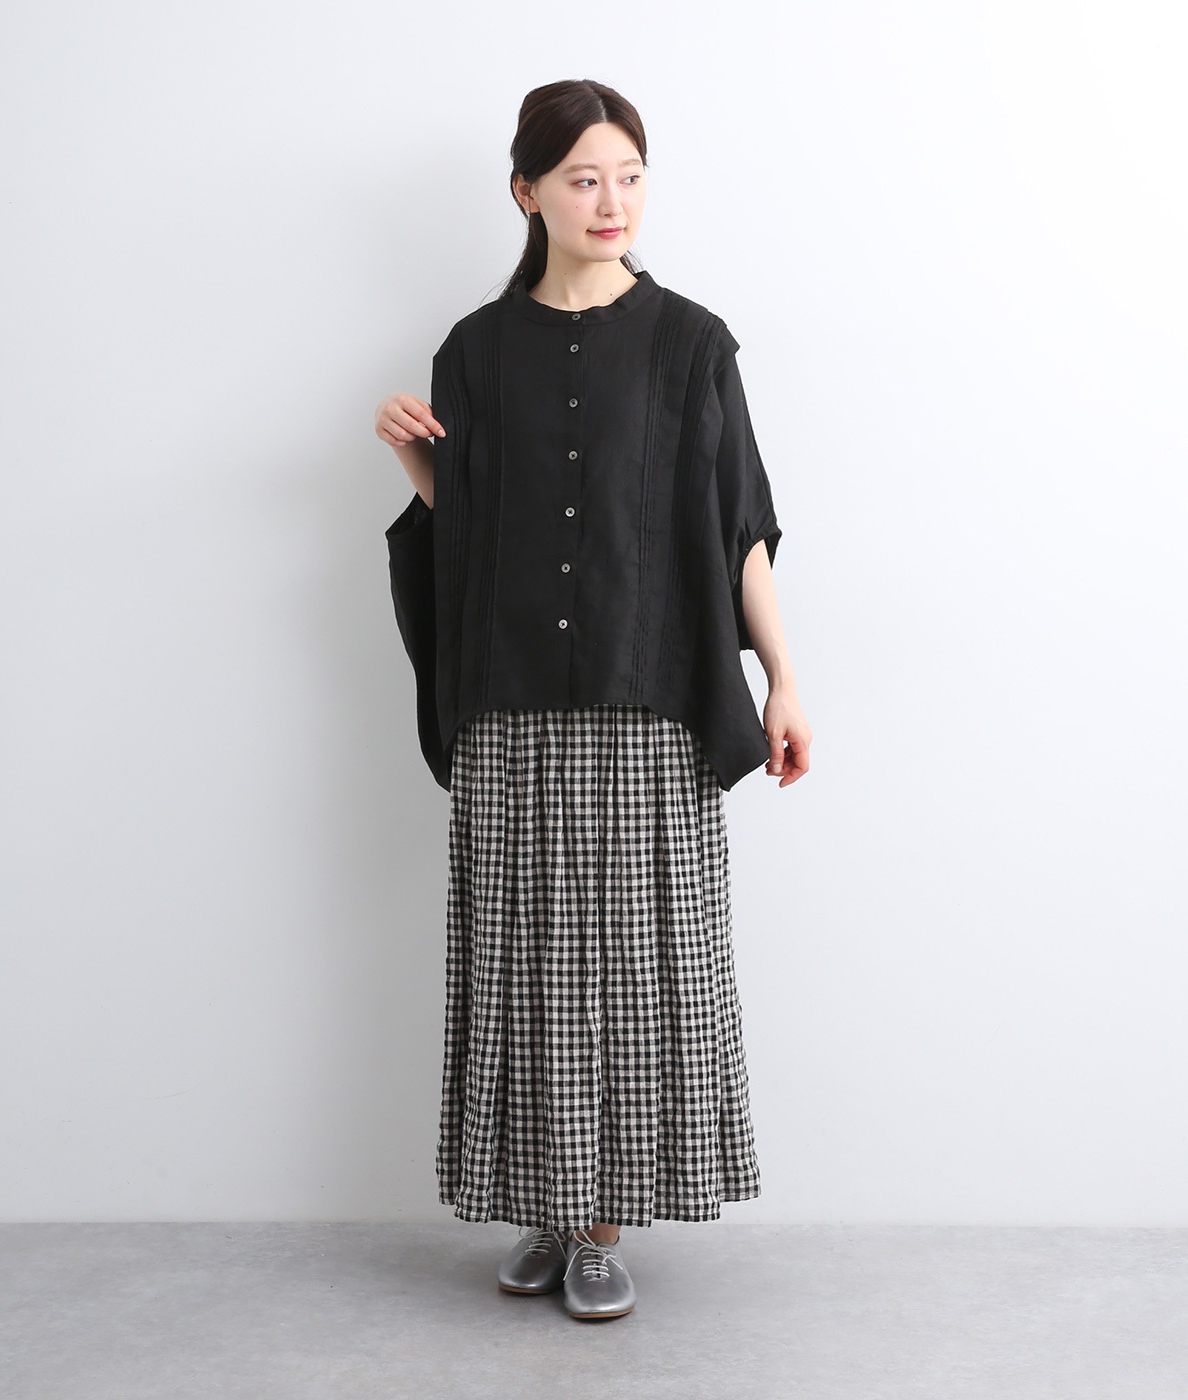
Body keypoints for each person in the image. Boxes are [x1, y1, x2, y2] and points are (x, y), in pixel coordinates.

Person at [374, 78, 812, 1323]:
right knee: (524, 964)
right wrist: (419, 464)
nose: (610, 199)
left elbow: (737, 528)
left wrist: (782, 677)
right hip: (512, 704)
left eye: (628, 175)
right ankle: (551, 1207)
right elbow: (483, 533)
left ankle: (606, 1220)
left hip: (650, 700)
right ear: (527, 192)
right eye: (582, 178)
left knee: (633, 968)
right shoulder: (474, 349)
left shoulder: (692, 344)